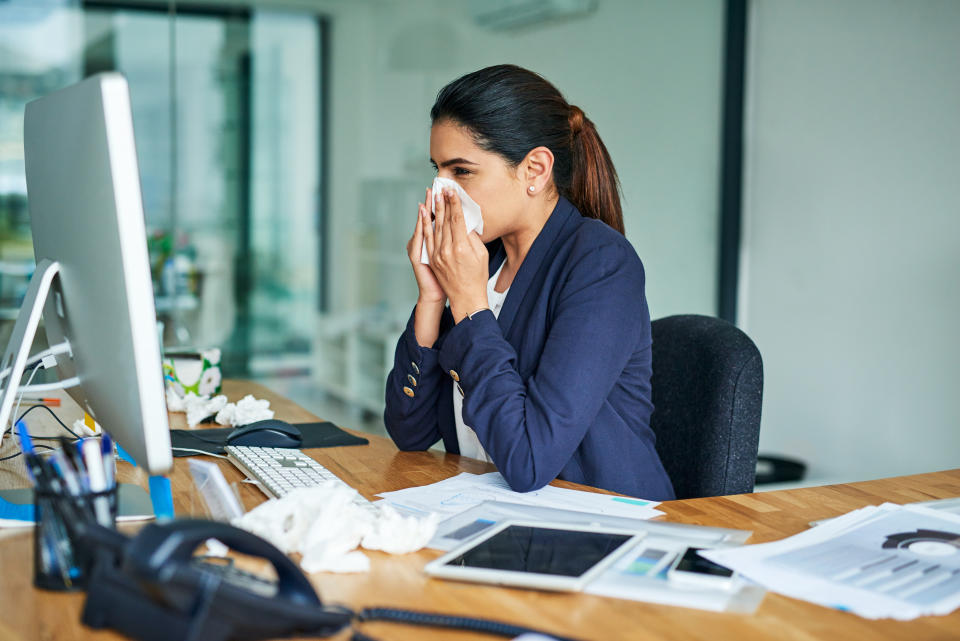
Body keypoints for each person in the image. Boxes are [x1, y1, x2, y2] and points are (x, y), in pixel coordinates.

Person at [383, 64, 675, 501]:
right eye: (437, 170)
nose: (440, 191)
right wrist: (431, 298)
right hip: (498, 516)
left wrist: (469, 304)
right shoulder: (488, 260)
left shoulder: (601, 264)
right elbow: (410, 432)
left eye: (461, 171)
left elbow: (527, 462)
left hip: (598, 530)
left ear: (535, 170)